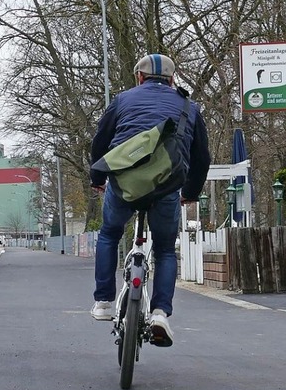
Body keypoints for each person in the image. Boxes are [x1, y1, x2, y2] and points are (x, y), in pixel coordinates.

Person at [89, 54, 211, 347]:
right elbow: (201, 158)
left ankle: (104, 301)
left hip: (124, 183)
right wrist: (190, 193)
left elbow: (99, 142)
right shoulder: (189, 107)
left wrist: (98, 179)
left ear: (139, 77)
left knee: (109, 234)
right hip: (166, 186)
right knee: (166, 250)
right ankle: (159, 313)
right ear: (172, 80)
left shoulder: (121, 101)